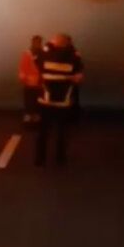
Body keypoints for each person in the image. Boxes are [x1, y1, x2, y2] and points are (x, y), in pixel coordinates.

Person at [34, 33, 84, 167]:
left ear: (57, 42)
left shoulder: (45, 53)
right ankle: (60, 159)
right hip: (64, 100)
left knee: (43, 130)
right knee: (62, 131)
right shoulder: (74, 57)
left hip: (46, 98)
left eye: (53, 39)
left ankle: (40, 158)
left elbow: (37, 66)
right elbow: (78, 77)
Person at [18, 35, 44, 125]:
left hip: (39, 81)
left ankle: (36, 115)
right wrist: (23, 77)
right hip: (29, 81)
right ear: (32, 43)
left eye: (38, 42)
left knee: (39, 99)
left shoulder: (43, 53)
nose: (37, 44)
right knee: (29, 99)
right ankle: (28, 115)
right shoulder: (27, 53)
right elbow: (22, 66)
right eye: (35, 42)